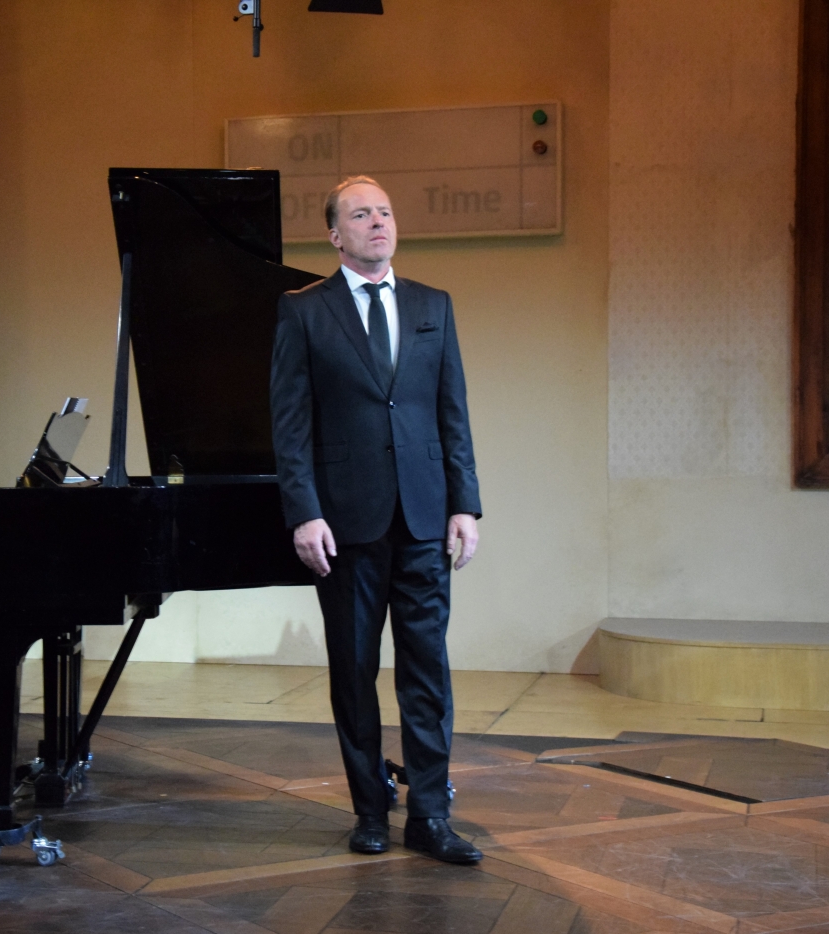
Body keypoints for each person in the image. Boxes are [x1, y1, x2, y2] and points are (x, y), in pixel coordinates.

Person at [270, 177, 482, 863]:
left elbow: (453, 414)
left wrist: (464, 503)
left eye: (385, 211)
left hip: (423, 518)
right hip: (346, 523)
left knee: (427, 673)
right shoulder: (304, 312)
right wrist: (303, 513)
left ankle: (430, 815)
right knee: (353, 671)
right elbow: (291, 425)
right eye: (360, 214)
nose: (377, 222)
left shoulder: (433, 305)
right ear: (335, 235)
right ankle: (369, 809)